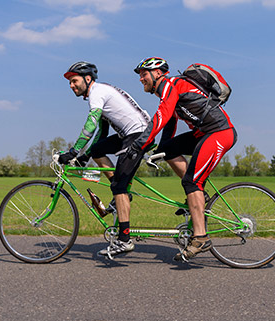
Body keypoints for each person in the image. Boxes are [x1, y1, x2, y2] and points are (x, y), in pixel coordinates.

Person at [130, 57, 238, 261]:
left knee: (191, 181)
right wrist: (159, 150)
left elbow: (160, 117)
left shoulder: (172, 84)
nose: (141, 79)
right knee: (170, 150)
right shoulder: (169, 90)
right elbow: (169, 124)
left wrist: (138, 145)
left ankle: (201, 237)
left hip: (219, 133)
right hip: (204, 134)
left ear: (158, 74)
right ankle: (200, 197)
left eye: (144, 74)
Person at [60, 61, 150, 256]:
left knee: (119, 186)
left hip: (137, 135)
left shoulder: (96, 93)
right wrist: (86, 155)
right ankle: (121, 193)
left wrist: (74, 151)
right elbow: (102, 132)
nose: (71, 86)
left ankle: (124, 240)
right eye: (69, 83)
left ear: (88, 79)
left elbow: (91, 123)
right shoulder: (100, 91)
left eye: (74, 81)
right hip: (130, 133)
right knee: (99, 150)